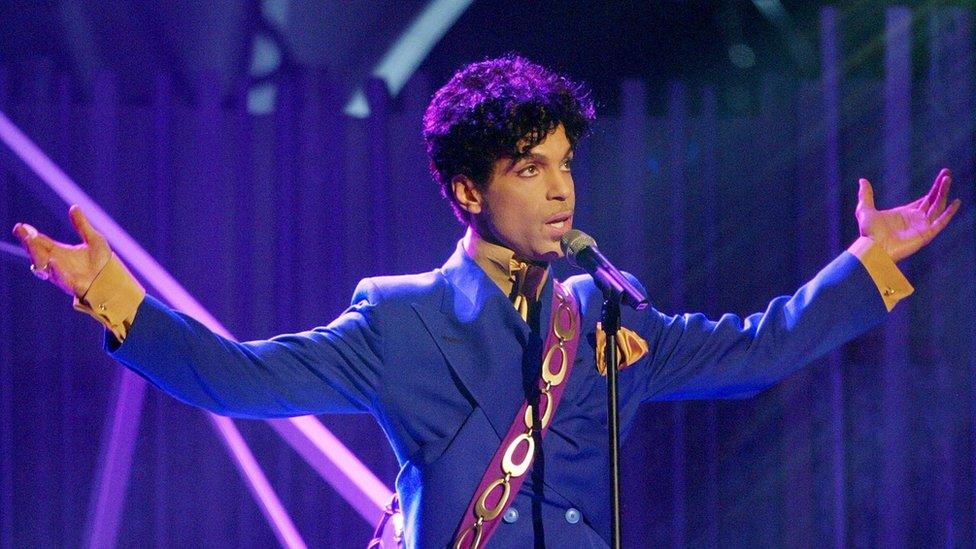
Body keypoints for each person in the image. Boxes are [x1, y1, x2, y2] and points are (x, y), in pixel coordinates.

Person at [12, 55, 961, 548]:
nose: (560, 191)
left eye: (564, 165)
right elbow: (237, 379)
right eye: (528, 167)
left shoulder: (606, 312)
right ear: (469, 190)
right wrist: (110, 291)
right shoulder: (398, 319)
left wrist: (865, 265)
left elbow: (760, 348)